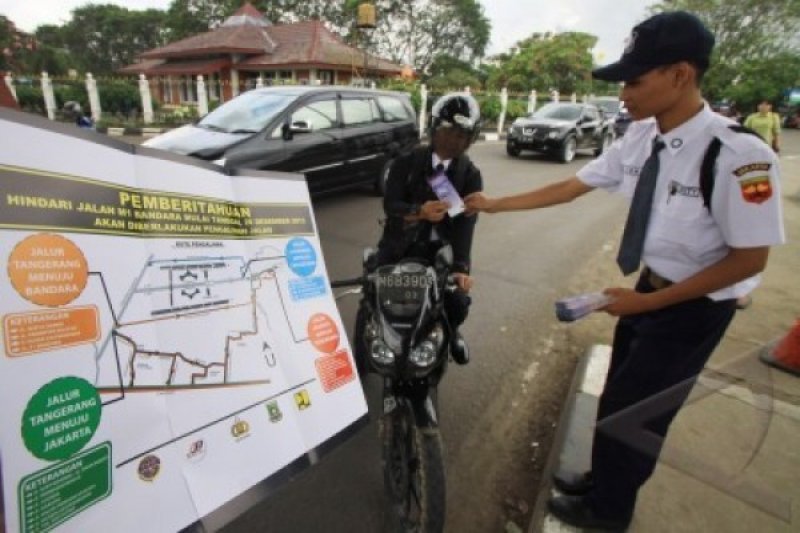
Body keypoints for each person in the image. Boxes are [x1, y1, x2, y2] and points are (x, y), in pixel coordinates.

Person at [465, 11, 784, 531]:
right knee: (617, 397)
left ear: (680, 75)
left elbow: (749, 261)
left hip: (694, 307)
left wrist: (649, 303)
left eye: (635, 80)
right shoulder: (640, 137)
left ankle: (607, 513)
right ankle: (602, 482)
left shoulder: (738, 155)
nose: (625, 94)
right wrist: (495, 205)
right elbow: (570, 186)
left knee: (640, 416)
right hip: (646, 288)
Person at [371, 92, 483, 365]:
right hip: (397, 247)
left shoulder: (469, 175)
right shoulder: (406, 163)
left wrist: (461, 267)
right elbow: (390, 204)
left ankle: (453, 332)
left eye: (462, 135)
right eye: (449, 132)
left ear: (470, 139)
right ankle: (371, 338)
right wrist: (417, 212)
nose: (454, 140)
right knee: (373, 293)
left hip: (437, 255)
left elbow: (465, 223)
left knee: (457, 302)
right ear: (434, 129)